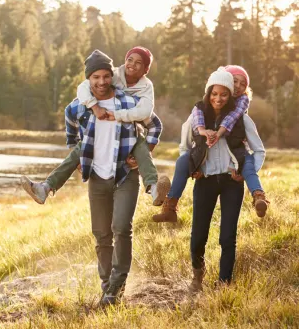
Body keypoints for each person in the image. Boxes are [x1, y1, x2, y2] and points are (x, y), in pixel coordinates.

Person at [61, 52, 163, 306]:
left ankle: (117, 285)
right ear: (88, 79)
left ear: (111, 77)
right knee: (101, 233)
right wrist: (77, 152)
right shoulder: (81, 105)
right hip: (97, 175)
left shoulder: (127, 102)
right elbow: (70, 123)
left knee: (121, 228)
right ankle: (106, 286)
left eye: (106, 76)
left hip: (125, 174)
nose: (102, 81)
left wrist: (144, 152)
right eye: (96, 77)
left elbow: (155, 124)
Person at [20, 48, 169, 206]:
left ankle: (154, 188)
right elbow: (83, 88)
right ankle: (45, 188)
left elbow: (148, 114)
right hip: (101, 133)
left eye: (139, 63)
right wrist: (94, 107)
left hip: (130, 130)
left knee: (140, 146)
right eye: (130, 59)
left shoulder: (145, 88)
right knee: (80, 149)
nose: (132, 65)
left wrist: (144, 150)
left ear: (146, 70)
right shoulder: (113, 74)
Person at [177, 69, 265, 290]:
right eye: (214, 94)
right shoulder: (197, 116)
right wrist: (192, 168)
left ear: (230, 95)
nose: (218, 98)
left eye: (224, 94)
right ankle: (198, 274)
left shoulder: (242, 119)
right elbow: (184, 148)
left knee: (228, 236)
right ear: (209, 93)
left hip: (231, 183)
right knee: (198, 235)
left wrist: (245, 171)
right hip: (205, 181)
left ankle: (224, 282)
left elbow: (259, 151)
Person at [152, 65, 269, 223]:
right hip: (206, 170)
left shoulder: (241, 109)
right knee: (182, 161)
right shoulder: (201, 108)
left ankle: (259, 196)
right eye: (235, 81)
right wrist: (195, 166)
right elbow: (187, 140)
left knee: (247, 163)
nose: (239, 87)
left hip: (234, 161)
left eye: (243, 84)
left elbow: (240, 128)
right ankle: (170, 205)